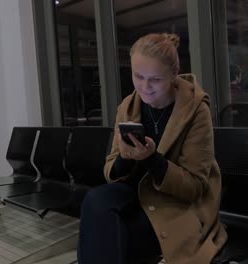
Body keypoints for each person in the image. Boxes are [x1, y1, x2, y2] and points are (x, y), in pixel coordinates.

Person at [78, 33, 227, 264]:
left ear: (174, 74)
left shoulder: (196, 110)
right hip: (137, 195)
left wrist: (151, 159)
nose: (145, 87)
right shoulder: (128, 106)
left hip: (177, 204)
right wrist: (125, 158)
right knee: (96, 200)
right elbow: (111, 171)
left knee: (113, 236)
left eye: (155, 79)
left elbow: (195, 187)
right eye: (138, 76)